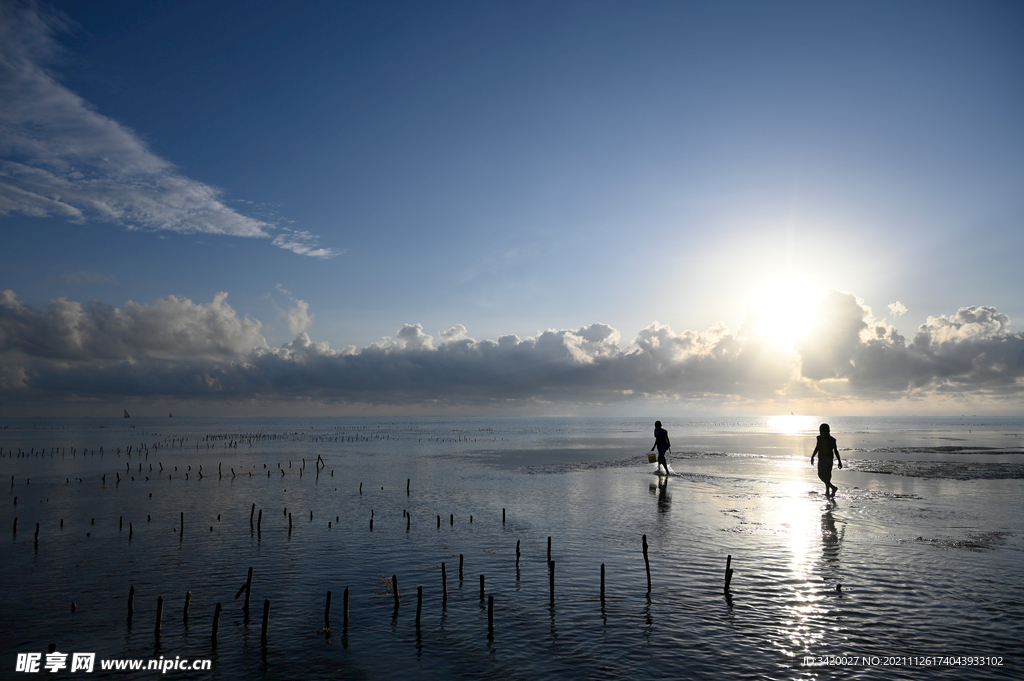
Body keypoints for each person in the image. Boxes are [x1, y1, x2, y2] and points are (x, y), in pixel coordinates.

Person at [811, 423, 842, 497]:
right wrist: (839, 461)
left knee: (821, 475)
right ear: (829, 430)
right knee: (827, 476)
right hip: (830, 459)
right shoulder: (832, 439)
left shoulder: (820, 438)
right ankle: (827, 491)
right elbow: (836, 451)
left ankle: (833, 488)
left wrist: (812, 457)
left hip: (822, 459)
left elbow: (817, 448)